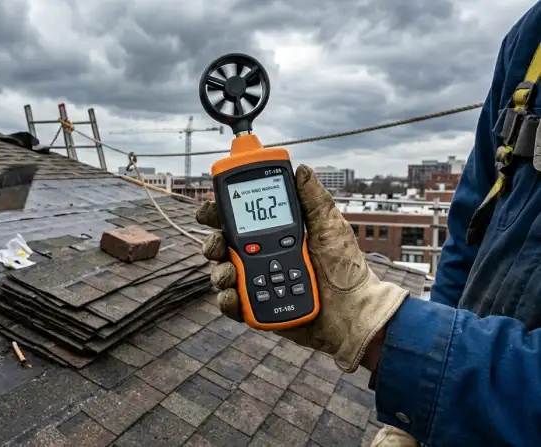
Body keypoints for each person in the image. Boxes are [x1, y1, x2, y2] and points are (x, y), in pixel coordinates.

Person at [195, 2, 541, 446]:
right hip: (453, 407)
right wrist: (420, 412)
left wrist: (374, 325)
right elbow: (467, 232)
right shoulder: (530, 42)